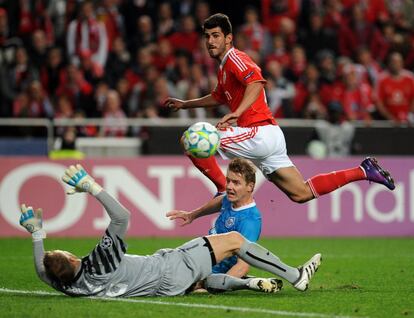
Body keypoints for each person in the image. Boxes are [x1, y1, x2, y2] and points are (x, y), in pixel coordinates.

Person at [165, 13, 395, 203]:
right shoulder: (224, 68)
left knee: (191, 139)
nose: (210, 41)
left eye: (216, 35)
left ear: (228, 38)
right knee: (301, 193)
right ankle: (363, 171)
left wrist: (236, 112)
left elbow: (256, 83)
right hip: (271, 135)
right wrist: (186, 104)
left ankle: (221, 188)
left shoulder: (235, 58)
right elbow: (218, 96)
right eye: (207, 36)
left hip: (258, 134)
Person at [19, 164, 321, 297]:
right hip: (168, 268)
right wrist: (92, 187)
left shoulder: (68, 285)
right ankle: (297, 276)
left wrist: (36, 236)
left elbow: (42, 271)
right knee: (235, 240)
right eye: (65, 252)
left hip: (161, 287)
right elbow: (122, 217)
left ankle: (249, 284)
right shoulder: (99, 261)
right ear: (72, 260)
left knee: (202, 279)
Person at [167, 158, 262, 279]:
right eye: (228, 181)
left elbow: (243, 266)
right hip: (201, 258)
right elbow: (220, 201)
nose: (229, 187)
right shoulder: (230, 199)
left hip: (211, 271)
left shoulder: (250, 221)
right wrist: (192, 215)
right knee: (167, 262)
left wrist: (215, 285)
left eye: (236, 183)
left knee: (167, 278)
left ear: (250, 186)